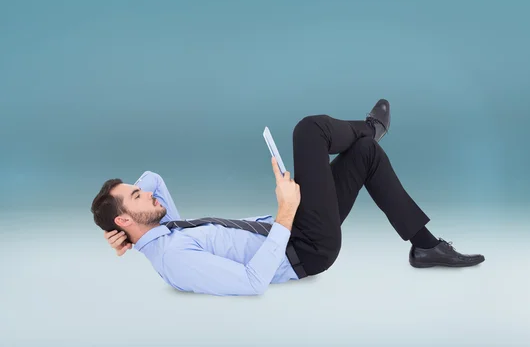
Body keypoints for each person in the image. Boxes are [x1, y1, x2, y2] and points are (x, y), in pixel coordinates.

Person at [91, 99, 485, 296]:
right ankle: (370, 128)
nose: (150, 195)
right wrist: (285, 211)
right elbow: (252, 281)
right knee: (308, 131)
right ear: (126, 218)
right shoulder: (174, 259)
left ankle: (426, 247)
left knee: (365, 155)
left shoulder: (164, 228)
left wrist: (127, 233)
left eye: (138, 192)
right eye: (137, 197)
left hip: (295, 227)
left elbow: (154, 178)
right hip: (306, 249)